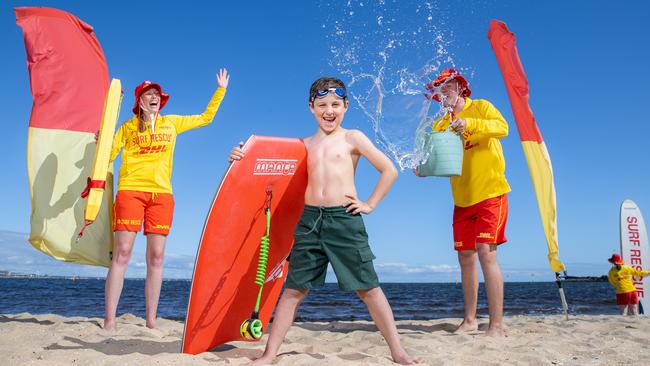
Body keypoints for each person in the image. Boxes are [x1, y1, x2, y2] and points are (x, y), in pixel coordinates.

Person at [229, 77, 419, 365]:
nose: (329, 111)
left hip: (344, 220)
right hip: (309, 223)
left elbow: (389, 170)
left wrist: (370, 203)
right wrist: (239, 155)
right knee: (293, 290)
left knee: (367, 287)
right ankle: (269, 354)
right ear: (311, 107)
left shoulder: (352, 137)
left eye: (335, 105)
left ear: (345, 106)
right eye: (322, 105)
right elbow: (262, 159)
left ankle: (397, 351)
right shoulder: (302, 145)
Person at [103, 68, 230, 331]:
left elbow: (205, 118)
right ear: (139, 100)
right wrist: (101, 142)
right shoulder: (127, 128)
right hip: (131, 191)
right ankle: (110, 320)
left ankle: (151, 319)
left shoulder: (171, 123)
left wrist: (220, 90)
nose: (154, 97)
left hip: (161, 194)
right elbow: (109, 154)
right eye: (149, 94)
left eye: (157, 95)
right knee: (123, 253)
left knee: (157, 257)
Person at [415, 68, 510, 337]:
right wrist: (423, 168)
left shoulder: (480, 107)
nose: (443, 91)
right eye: (439, 88)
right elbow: (435, 159)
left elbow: (503, 128)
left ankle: (496, 326)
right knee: (465, 258)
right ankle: (469, 320)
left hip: (491, 192)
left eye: (447, 85)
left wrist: (470, 125)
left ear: (459, 86)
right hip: (462, 200)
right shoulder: (440, 124)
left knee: (485, 253)